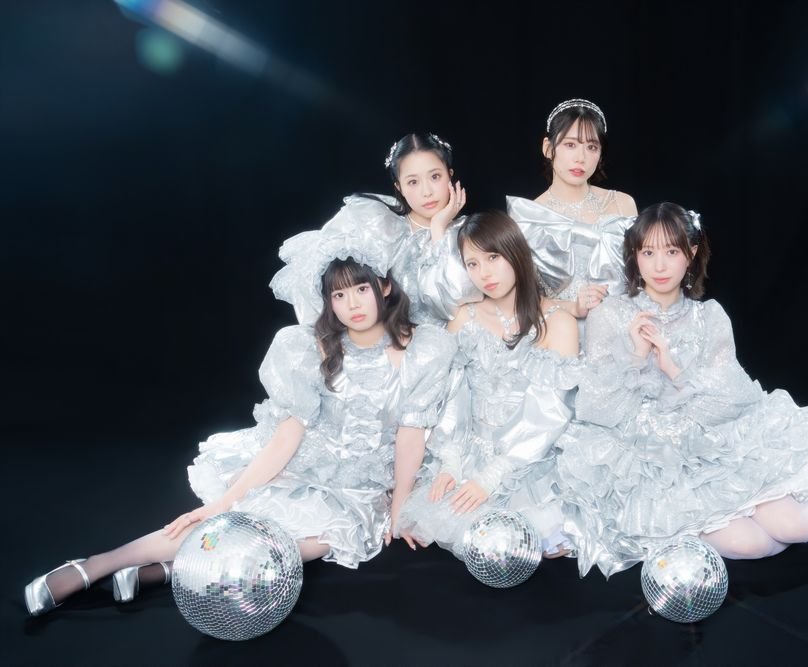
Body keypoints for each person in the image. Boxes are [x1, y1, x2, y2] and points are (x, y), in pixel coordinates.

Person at [24, 226, 457, 615]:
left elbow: (410, 435)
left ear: (384, 286)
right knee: (237, 516)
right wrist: (225, 500)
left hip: (363, 486)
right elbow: (288, 436)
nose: (352, 304)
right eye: (338, 296)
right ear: (327, 302)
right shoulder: (311, 348)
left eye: (361, 289)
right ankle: (98, 564)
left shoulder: (422, 349)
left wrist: (400, 505)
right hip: (308, 464)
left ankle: (173, 569)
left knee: (297, 545)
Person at [556, 202, 808, 578]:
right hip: (650, 463)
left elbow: (732, 401)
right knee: (755, 546)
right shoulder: (612, 315)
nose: (659, 265)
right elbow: (595, 406)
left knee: (789, 525)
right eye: (648, 252)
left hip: (715, 448)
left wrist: (675, 370)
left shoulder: (710, 318)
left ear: (692, 253)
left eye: (672, 251)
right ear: (634, 255)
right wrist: (635, 358)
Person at [399, 210, 580, 558]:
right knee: (446, 526)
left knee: (533, 542)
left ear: (515, 252)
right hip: (470, 451)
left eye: (493, 257)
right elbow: (452, 396)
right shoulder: (463, 317)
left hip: (531, 458)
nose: (484, 273)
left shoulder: (558, 322)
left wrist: (493, 475)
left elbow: (551, 412)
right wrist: (451, 461)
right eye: (473, 263)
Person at [317, 132, 477, 325]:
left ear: (449, 175)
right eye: (413, 182)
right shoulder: (382, 229)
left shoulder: (472, 232)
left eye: (435, 177)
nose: (427, 191)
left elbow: (460, 302)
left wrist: (438, 228)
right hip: (395, 338)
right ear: (399, 187)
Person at [507, 98, 639, 322]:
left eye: (592, 147)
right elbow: (522, 298)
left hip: (622, 325)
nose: (581, 158)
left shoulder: (622, 203)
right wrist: (574, 308)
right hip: (560, 328)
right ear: (548, 148)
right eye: (570, 145)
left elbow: (641, 276)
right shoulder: (527, 216)